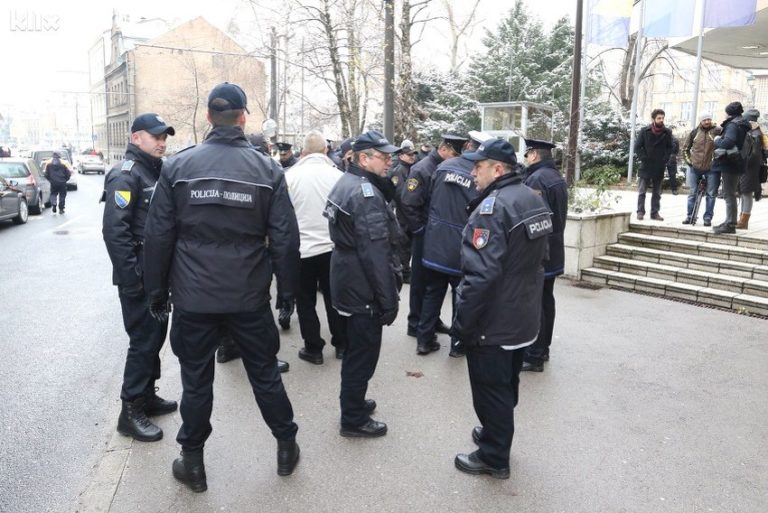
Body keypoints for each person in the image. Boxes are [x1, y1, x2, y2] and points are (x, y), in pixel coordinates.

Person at [143, 83, 301, 492]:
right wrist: (287, 293)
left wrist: (156, 291)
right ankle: (286, 445)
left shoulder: (178, 167)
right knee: (264, 374)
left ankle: (192, 462)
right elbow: (285, 238)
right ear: (243, 118)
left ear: (209, 118)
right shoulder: (267, 171)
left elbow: (158, 236)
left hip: (194, 298)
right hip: (248, 296)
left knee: (197, 381)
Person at [451, 138, 552, 480]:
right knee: (506, 383)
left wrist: (462, 325)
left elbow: (481, 276)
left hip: (494, 319)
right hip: (523, 313)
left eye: (477, 167)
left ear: (497, 169)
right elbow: (542, 257)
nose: (472, 173)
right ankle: (497, 432)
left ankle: (494, 455)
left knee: (490, 387)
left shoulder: (493, 209)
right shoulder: (530, 198)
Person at [102, 113, 178, 443]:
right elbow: (114, 232)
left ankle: (147, 395)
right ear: (137, 138)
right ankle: (130, 410)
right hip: (139, 277)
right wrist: (132, 278)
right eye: (156, 136)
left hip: (157, 276)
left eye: (165, 137)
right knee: (143, 341)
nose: (162, 142)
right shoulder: (126, 176)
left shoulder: (155, 170)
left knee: (155, 336)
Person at [324, 130, 402, 438]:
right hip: (361, 284)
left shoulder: (348, 182)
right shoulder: (364, 194)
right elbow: (374, 253)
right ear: (364, 158)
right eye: (384, 158)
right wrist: (388, 300)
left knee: (357, 349)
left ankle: (353, 402)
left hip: (347, 277)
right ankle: (353, 418)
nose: (390, 163)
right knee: (363, 353)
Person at [417, 131, 489, 357]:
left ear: (467, 145)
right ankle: (458, 345)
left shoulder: (443, 167)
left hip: (436, 243)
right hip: (462, 245)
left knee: (432, 293)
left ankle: (424, 340)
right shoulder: (478, 173)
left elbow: (429, 199)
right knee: (462, 297)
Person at [285, 130, 348, 365]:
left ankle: (313, 348)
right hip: (332, 248)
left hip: (301, 250)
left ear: (303, 152)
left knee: (305, 301)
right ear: (325, 150)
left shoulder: (289, 177)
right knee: (335, 299)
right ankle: (341, 344)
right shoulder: (337, 176)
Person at [400, 134, 466, 339]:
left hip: (437, 234)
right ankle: (415, 322)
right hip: (425, 234)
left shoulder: (443, 168)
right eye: (454, 154)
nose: (456, 159)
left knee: (433, 284)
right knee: (421, 281)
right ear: (444, 149)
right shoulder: (422, 169)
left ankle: (431, 321)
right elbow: (408, 203)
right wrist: (420, 231)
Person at [520, 138, 568, 372]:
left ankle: (535, 354)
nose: (526, 158)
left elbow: (533, 218)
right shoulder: (555, 176)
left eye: (528, 154)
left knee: (536, 302)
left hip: (541, 250)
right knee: (546, 300)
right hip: (555, 246)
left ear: (535, 156)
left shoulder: (536, 179)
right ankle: (543, 348)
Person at [712, 102, 751, 234]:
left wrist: (717, 140)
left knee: (729, 194)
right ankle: (729, 221)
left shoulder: (733, 125)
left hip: (730, 163)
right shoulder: (743, 124)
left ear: (729, 113)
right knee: (730, 193)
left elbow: (728, 142)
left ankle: (730, 224)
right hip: (738, 161)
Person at [634, 108, 674, 221]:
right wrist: (643, 158)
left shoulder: (667, 132)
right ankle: (640, 212)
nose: (661, 120)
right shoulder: (644, 131)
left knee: (657, 192)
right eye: (659, 118)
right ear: (654, 119)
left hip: (659, 165)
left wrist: (665, 158)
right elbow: (637, 147)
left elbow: (670, 147)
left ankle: (654, 213)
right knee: (642, 191)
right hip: (646, 165)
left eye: (662, 118)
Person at [682, 112, 720, 226]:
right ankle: (689, 216)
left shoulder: (718, 131)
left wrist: (717, 162)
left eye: (709, 119)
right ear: (701, 121)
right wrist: (690, 163)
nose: (707, 121)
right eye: (704, 120)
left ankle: (707, 218)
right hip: (695, 167)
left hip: (712, 169)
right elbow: (685, 149)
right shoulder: (694, 132)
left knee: (711, 194)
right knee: (692, 193)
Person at [388, 139, 418, 284]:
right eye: (409, 154)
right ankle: (404, 272)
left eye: (413, 154)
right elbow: (400, 195)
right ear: (401, 155)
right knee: (403, 244)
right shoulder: (399, 171)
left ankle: (406, 270)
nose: (412, 156)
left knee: (408, 244)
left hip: (409, 213)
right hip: (402, 214)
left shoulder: (413, 169)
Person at [736, 109, 768, 230]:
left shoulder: (754, 135)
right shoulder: (754, 133)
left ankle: (744, 220)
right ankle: (742, 218)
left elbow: (752, 155)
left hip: (749, 169)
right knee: (744, 193)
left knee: (747, 193)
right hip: (749, 169)